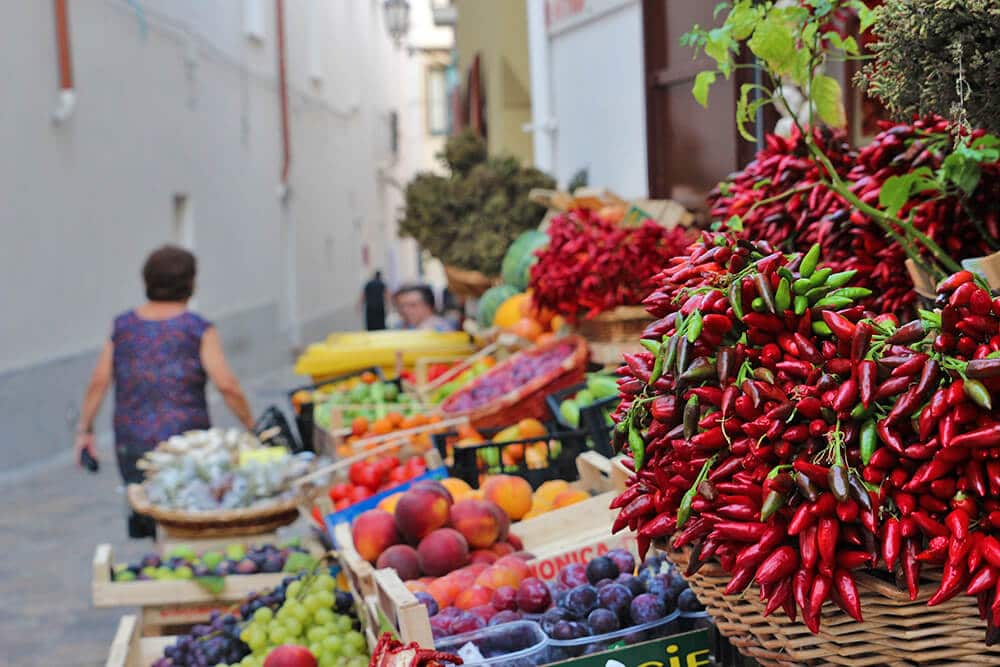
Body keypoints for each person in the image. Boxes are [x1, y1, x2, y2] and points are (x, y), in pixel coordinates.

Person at [73, 245, 255, 535]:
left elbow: (99, 380)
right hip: (186, 443)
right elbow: (226, 385)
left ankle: (155, 559)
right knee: (186, 513)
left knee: (147, 511)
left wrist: (85, 430)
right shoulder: (197, 328)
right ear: (190, 284)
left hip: (133, 441)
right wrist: (251, 425)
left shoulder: (124, 327)